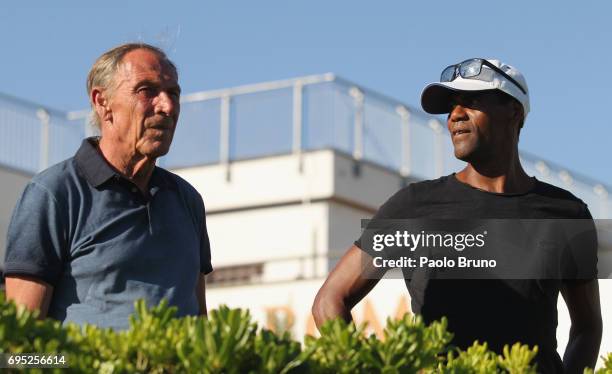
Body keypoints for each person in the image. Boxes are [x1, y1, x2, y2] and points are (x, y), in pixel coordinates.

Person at [312, 58, 602, 373]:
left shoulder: (567, 213)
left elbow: (587, 327)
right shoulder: (413, 206)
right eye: (451, 106)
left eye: (472, 101)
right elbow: (330, 300)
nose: (455, 115)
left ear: (514, 112)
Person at [3, 43, 213, 330]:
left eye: (173, 93)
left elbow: (201, 325)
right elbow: (20, 352)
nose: (167, 106)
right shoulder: (53, 194)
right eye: (147, 91)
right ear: (102, 102)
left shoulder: (188, 200)